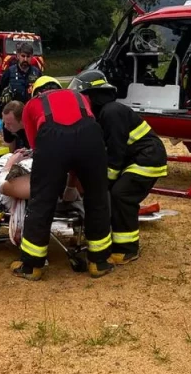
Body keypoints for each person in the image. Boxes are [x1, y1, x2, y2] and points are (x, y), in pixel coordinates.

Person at [13, 75, 113, 280]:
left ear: (36, 92)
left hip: (52, 139)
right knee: (97, 197)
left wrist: (54, 176)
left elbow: (35, 146)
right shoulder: (79, 97)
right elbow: (83, 132)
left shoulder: (32, 105)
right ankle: (99, 262)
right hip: (91, 137)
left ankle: (32, 266)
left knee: (41, 201)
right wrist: (72, 177)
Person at [71, 69, 167, 265]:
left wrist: (105, 181)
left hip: (147, 158)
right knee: (116, 194)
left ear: (91, 95)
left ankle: (127, 249)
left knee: (121, 195)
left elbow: (115, 152)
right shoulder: (104, 113)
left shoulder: (111, 112)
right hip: (138, 158)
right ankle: (117, 243)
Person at [0, 42, 41, 135]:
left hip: (30, 118)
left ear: (32, 57)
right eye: (23, 56)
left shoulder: (37, 73)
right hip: (12, 119)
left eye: (28, 56)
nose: (25, 59)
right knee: (11, 146)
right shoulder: (9, 72)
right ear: (18, 56)